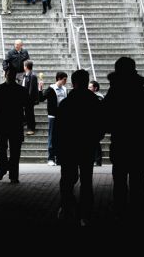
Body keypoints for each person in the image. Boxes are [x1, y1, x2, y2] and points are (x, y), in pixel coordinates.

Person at [103, 57, 144, 222]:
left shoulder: (114, 91)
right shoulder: (141, 91)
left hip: (121, 141)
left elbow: (106, 114)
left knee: (120, 179)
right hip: (140, 141)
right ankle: (137, 211)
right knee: (138, 181)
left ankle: (119, 210)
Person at [55, 70, 101, 226]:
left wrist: (57, 148)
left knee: (67, 179)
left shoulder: (66, 103)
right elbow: (100, 126)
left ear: (73, 83)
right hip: (87, 146)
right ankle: (85, 214)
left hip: (69, 146)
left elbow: (58, 128)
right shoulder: (94, 102)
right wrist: (94, 139)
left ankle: (67, 207)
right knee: (86, 181)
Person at [0, 67, 29, 184]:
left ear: (5, 75)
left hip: (2, 124)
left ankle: (3, 171)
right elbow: (27, 107)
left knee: (2, 149)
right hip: (15, 124)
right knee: (14, 151)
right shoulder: (21, 90)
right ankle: (13, 175)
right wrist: (25, 120)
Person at [38, 71, 68, 166]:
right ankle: (50, 158)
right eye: (64, 79)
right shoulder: (52, 88)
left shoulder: (64, 89)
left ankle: (59, 158)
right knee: (52, 136)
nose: (65, 81)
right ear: (59, 78)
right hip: (53, 116)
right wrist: (40, 88)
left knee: (61, 137)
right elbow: (41, 98)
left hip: (62, 116)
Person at [88, 80, 104, 166]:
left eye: (90, 87)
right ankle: (95, 160)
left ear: (95, 88)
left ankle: (97, 160)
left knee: (95, 142)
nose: (88, 88)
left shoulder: (99, 97)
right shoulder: (91, 96)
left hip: (97, 122)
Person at [22, 60, 39, 135]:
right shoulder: (26, 75)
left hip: (29, 99)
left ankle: (31, 128)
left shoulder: (32, 76)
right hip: (25, 97)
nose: (23, 67)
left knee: (30, 113)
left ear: (26, 67)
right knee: (27, 112)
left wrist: (27, 99)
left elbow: (31, 89)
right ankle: (26, 123)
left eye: (24, 65)